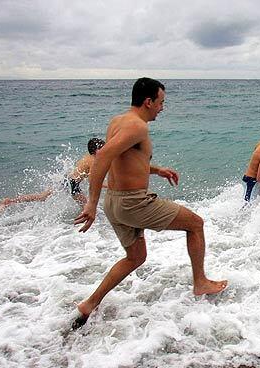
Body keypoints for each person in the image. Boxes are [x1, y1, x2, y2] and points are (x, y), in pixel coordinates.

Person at [72, 77, 227, 329]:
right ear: (148, 101)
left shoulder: (118, 121)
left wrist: (155, 170)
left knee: (135, 257)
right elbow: (102, 158)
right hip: (133, 203)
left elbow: (123, 159)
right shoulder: (138, 127)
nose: (162, 107)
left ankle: (90, 303)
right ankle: (200, 282)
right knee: (195, 224)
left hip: (115, 203)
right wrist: (90, 203)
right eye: (161, 102)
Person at [0, 138, 105, 211]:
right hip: (72, 184)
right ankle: (84, 230)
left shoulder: (88, 156)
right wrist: (110, 186)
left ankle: (9, 201)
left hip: (65, 179)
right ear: (97, 150)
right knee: (88, 208)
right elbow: (92, 181)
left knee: (41, 197)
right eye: (103, 147)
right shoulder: (93, 161)